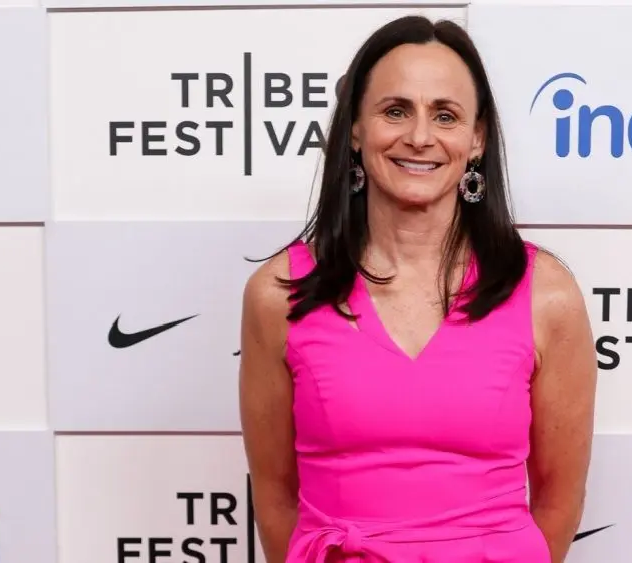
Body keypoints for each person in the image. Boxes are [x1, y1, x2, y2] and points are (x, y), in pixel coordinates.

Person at [238, 14, 598, 562]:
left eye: (446, 115)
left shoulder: (546, 295)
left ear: (476, 140)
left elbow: (559, 501)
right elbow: (274, 496)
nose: (420, 136)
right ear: (356, 128)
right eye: (395, 110)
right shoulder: (279, 293)